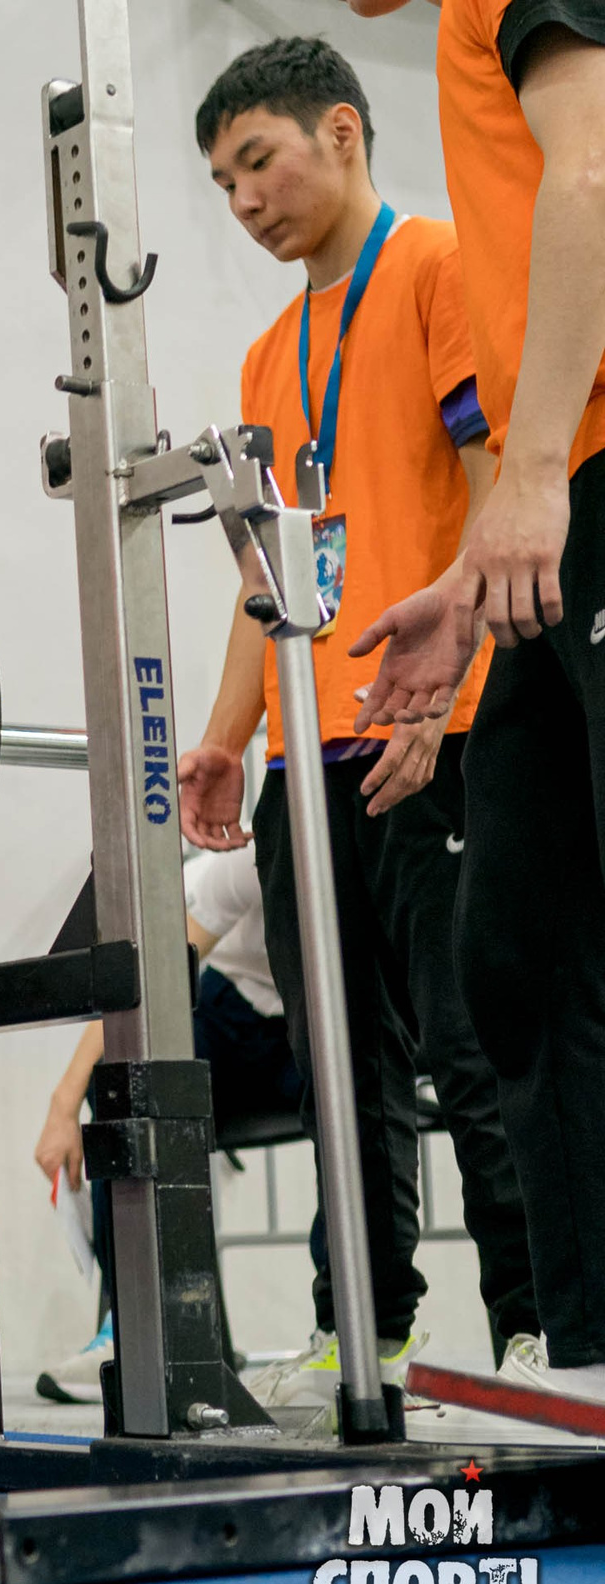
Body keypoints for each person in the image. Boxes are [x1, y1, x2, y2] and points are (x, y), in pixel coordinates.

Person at [174, 37, 537, 1400]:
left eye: (257, 161)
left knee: (474, 1038)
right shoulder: (271, 359)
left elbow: (496, 476)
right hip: (310, 755)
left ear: (341, 131)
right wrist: (228, 733)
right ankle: (365, 1324)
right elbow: (272, 584)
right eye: (220, 183)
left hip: (441, 730)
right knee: (344, 1060)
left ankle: (539, 1325)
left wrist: (449, 702)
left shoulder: (440, 268)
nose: (244, 200)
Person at [342, 0, 605, 1402]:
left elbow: (593, 173)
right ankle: (590, 1356)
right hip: (563, 499)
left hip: (595, 474)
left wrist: (544, 469)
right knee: (514, 944)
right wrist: (467, 567)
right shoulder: (460, 16)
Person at [30, 847, 307, 1403]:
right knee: (126, 1075)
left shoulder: (386, 862)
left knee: (361, 1093)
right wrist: (64, 1105)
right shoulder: (247, 867)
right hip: (232, 1011)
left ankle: (353, 1335)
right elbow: (144, 992)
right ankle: (134, 1328)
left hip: (318, 1023)